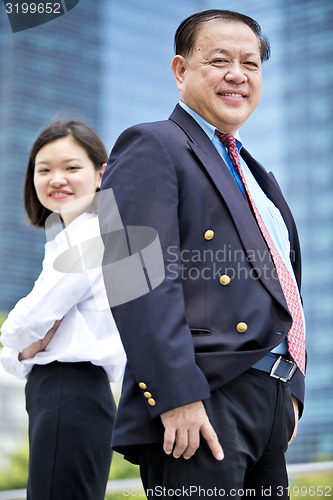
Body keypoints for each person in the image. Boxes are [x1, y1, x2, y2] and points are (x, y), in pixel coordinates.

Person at [100, 9, 306, 500]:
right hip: (203, 398)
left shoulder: (259, 176)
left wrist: (291, 395)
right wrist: (175, 396)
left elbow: (288, 287)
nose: (237, 74)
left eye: (251, 64)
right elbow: (135, 278)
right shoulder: (150, 143)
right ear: (180, 70)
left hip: (270, 402)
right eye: (219, 60)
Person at [0, 121, 126, 500]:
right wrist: (21, 348)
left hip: (68, 391)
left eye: (71, 167)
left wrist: (11, 343)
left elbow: (33, 317)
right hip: (70, 395)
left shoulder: (88, 234)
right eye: (44, 169)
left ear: (101, 174)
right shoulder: (72, 237)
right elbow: (33, 327)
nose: (57, 179)